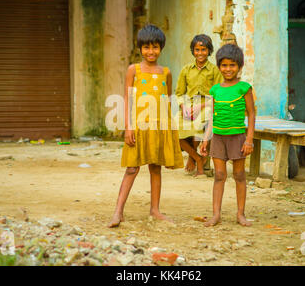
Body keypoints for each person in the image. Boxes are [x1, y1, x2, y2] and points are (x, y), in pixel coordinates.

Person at [108, 24, 183, 228]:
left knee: (155, 167)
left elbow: (166, 100)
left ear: (161, 48)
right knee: (132, 168)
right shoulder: (133, 70)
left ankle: (155, 210)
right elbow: (128, 99)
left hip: (158, 126)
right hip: (138, 127)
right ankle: (118, 211)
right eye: (147, 47)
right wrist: (128, 127)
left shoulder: (166, 72)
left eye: (155, 47)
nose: (151, 52)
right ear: (140, 48)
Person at [200, 43, 255, 227]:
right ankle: (216, 214)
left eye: (232, 65)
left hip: (238, 137)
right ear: (219, 67)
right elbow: (212, 116)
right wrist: (206, 138)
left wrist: (249, 140)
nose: (228, 69)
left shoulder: (244, 88)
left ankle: (240, 214)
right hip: (218, 138)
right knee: (219, 175)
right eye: (224, 65)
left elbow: (251, 113)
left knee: (239, 175)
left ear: (239, 67)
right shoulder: (215, 90)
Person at [175, 34, 223, 177]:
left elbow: (218, 96)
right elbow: (179, 93)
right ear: (193, 51)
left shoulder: (214, 70)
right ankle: (197, 157)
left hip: (207, 106)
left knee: (197, 126)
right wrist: (184, 107)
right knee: (174, 130)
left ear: (209, 51)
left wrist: (200, 107)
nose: (200, 53)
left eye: (203, 49)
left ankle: (194, 160)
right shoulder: (186, 70)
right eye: (197, 50)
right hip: (188, 107)